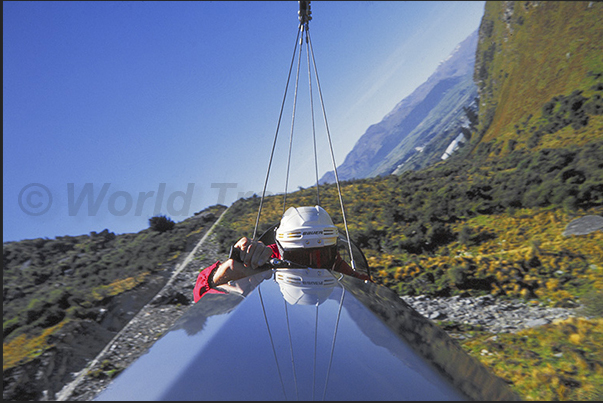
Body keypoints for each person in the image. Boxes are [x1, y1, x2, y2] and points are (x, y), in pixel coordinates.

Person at [194, 206, 371, 302]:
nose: (315, 266)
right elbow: (200, 293)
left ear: (333, 248)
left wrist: (369, 290)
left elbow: (362, 283)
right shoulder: (264, 261)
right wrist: (220, 274)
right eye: (301, 258)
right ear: (282, 251)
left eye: (322, 255)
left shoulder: (334, 263)